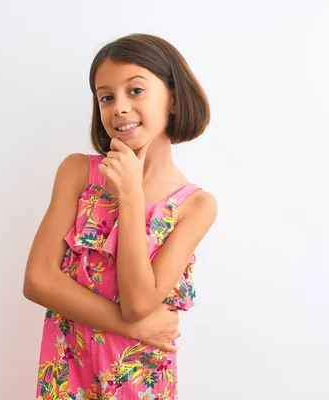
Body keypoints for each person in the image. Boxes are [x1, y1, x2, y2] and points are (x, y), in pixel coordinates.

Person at [23, 33, 217, 400]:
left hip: (138, 386)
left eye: (136, 91)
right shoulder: (78, 172)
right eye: (106, 97)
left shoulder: (195, 206)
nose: (119, 108)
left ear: (173, 99)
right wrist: (139, 329)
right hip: (68, 379)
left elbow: (138, 303)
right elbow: (37, 279)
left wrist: (130, 196)